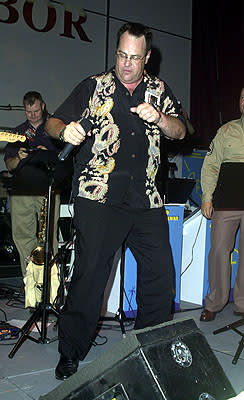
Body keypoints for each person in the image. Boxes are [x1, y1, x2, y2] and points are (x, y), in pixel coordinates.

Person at [45, 21, 186, 380]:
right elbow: (53, 122)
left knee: (160, 274)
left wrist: (162, 118)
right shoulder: (94, 86)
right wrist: (65, 130)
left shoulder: (159, 90)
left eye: (134, 57)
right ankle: (71, 351)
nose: (126, 63)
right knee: (90, 274)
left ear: (147, 58)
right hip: (99, 195)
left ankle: (149, 347)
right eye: (121, 55)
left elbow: (183, 130)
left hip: (146, 197)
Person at [4, 91, 61, 279]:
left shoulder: (55, 127)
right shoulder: (17, 133)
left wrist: (47, 154)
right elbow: (9, 166)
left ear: (43, 106)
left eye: (36, 110)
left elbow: (66, 160)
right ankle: (30, 282)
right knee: (22, 237)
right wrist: (18, 158)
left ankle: (49, 286)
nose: (33, 115)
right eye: (29, 112)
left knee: (48, 238)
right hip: (22, 191)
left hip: (48, 189)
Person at [200, 87, 244, 322]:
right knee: (218, 252)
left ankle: (243, 303)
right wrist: (207, 196)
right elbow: (211, 165)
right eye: (243, 97)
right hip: (226, 203)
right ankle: (214, 302)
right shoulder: (226, 131)